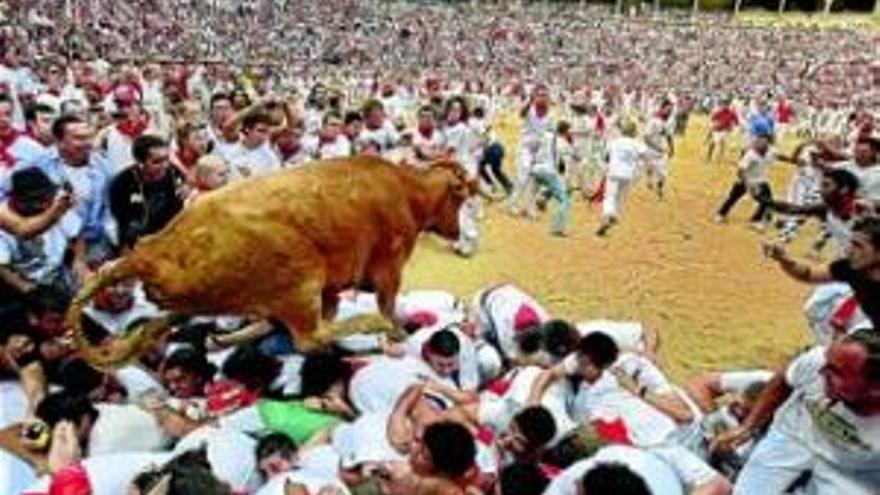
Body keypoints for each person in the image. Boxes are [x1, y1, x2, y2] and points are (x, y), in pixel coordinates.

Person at [713, 330, 880, 494]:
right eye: (826, 363)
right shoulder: (817, 361)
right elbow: (782, 381)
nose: (822, 372)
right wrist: (748, 426)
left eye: (836, 372)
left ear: (875, 387)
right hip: (795, 434)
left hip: (850, 469)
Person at [764, 216, 880, 330]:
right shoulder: (851, 268)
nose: (849, 251)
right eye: (852, 244)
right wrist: (784, 259)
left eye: (858, 246)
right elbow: (809, 274)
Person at [109, 134, 186, 249]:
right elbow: (123, 224)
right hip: (138, 245)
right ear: (140, 162)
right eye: (157, 162)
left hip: (172, 240)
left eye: (167, 159)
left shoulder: (174, 173)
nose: (165, 165)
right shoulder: (121, 184)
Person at [714, 132, 796, 231]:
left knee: (767, 201)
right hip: (745, 181)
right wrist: (749, 186)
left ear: (768, 144)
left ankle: (755, 220)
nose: (758, 144)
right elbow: (740, 172)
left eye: (762, 142)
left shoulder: (771, 151)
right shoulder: (750, 155)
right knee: (733, 198)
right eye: (758, 142)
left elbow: (780, 156)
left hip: (761, 181)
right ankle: (721, 214)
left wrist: (793, 161)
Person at [596, 118, 648, 237]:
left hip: (614, 171)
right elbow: (645, 155)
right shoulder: (637, 143)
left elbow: (606, 155)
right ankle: (614, 215)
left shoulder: (614, 141)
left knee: (610, 196)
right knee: (621, 197)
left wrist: (604, 166)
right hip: (629, 173)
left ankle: (608, 213)